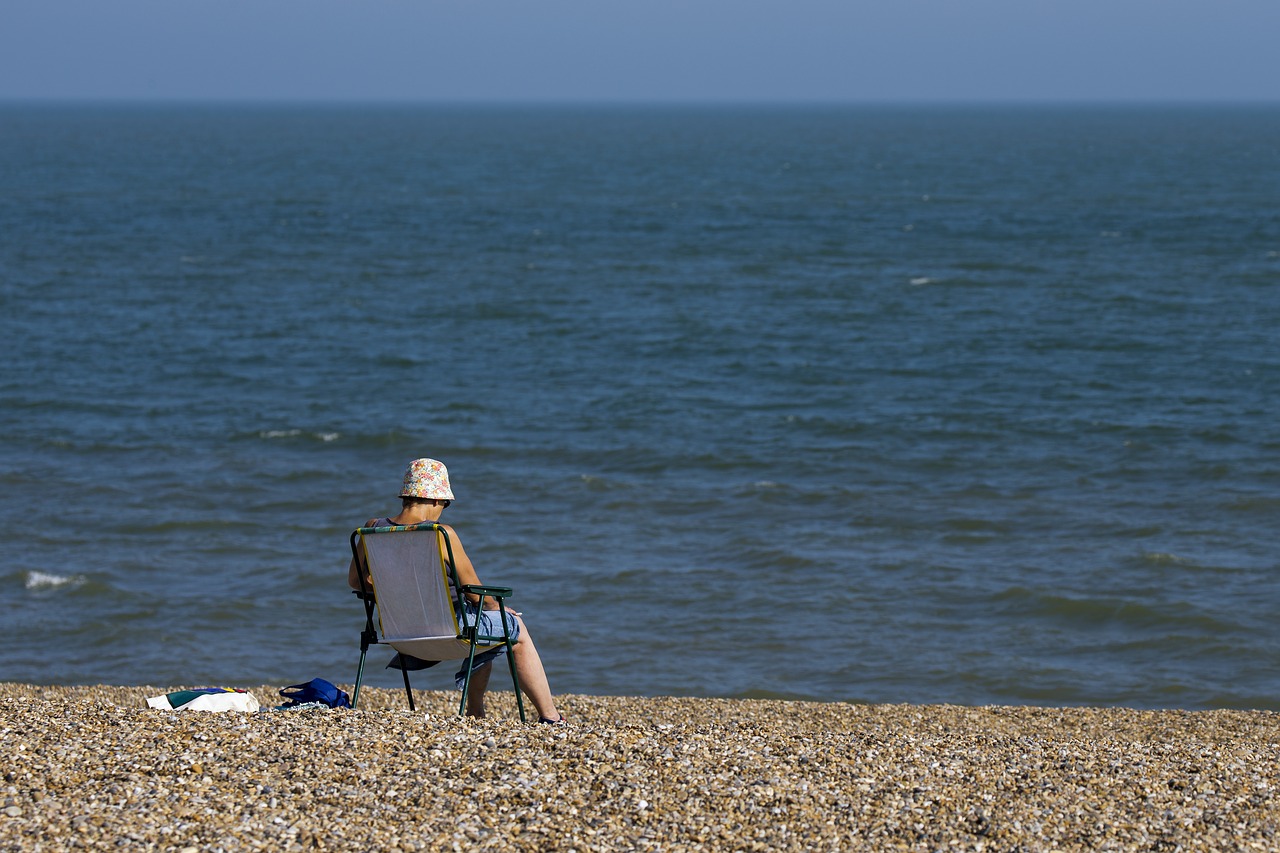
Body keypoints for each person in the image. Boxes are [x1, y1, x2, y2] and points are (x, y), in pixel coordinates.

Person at [349, 458, 564, 724]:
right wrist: (499, 607)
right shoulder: (441, 534)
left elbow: (357, 582)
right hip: (450, 632)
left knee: (484, 626)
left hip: (399, 636)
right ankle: (550, 717)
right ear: (436, 501)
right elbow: (475, 593)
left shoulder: (371, 529)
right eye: (445, 504)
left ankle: (476, 711)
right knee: (514, 628)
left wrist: (392, 587)